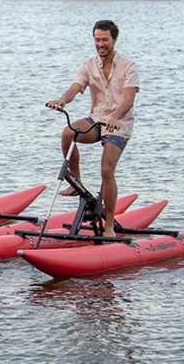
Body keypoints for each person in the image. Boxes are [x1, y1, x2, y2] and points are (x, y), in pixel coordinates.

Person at [47, 19, 139, 238]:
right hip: (97, 119)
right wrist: (62, 100)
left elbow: (128, 98)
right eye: (97, 40)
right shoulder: (89, 64)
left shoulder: (128, 66)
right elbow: (76, 87)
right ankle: (76, 182)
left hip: (119, 124)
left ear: (113, 40)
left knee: (106, 171)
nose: (100, 44)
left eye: (104, 40)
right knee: (68, 133)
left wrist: (115, 117)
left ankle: (108, 226)